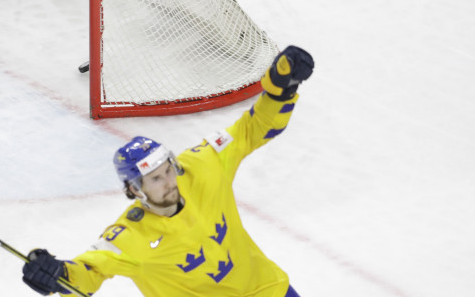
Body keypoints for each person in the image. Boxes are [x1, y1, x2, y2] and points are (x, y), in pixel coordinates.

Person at [21, 46, 314, 297]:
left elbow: (252, 129)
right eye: (156, 179)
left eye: (168, 170)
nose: (169, 182)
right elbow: (89, 271)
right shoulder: (129, 236)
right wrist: (58, 274)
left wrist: (279, 91)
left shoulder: (201, 166)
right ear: (134, 190)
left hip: (268, 289)